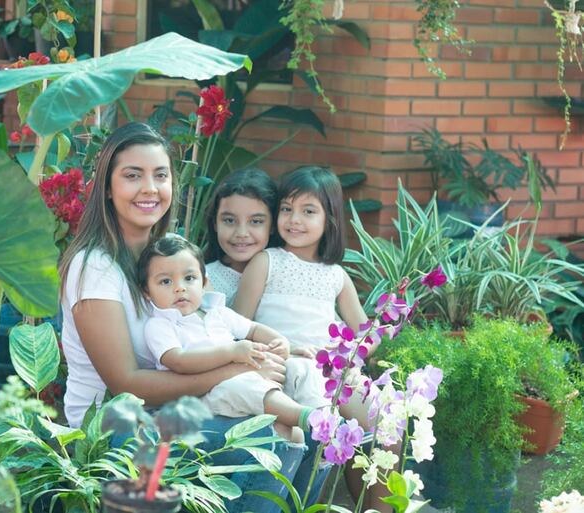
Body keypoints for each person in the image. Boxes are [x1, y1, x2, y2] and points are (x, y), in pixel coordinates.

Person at [58, 122, 325, 512]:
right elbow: (125, 384)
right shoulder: (95, 267)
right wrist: (234, 368)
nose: (150, 188)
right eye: (133, 176)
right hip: (111, 428)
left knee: (311, 423)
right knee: (272, 436)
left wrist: (270, 352)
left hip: (172, 408)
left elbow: (209, 329)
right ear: (108, 187)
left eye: (160, 175)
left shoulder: (166, 255)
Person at [233, 165, 392, 512]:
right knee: (320, 431)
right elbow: (237, 325)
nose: (294, 220)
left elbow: (368, 333)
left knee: (387, 421)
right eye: (287, 209)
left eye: (308, 211)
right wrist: (280, 351)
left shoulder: (336, 275)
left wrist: (347, 354)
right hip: (285, 367)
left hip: (331, 371)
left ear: (329, 219)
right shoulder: (266, 262)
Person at [138, 236, 329, 441]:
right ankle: (307, 418)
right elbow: (179, 361)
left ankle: (326, 418)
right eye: (166, 281)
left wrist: (281, 342)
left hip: (248, 377)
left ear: (204, 283)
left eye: (189, 278)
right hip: (204, 396)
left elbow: (253, 329)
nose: (180, 288)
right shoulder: (160, 325)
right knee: (243, 386)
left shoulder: (218, 313)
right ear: (147, 291)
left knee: (301, 367)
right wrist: (232, 352)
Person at [204, 167, 279, 306]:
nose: (241, 233)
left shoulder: (284, 277)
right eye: (229, 220)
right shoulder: (201, 279)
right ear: (215, 223)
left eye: (256, 221)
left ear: (273, 225)